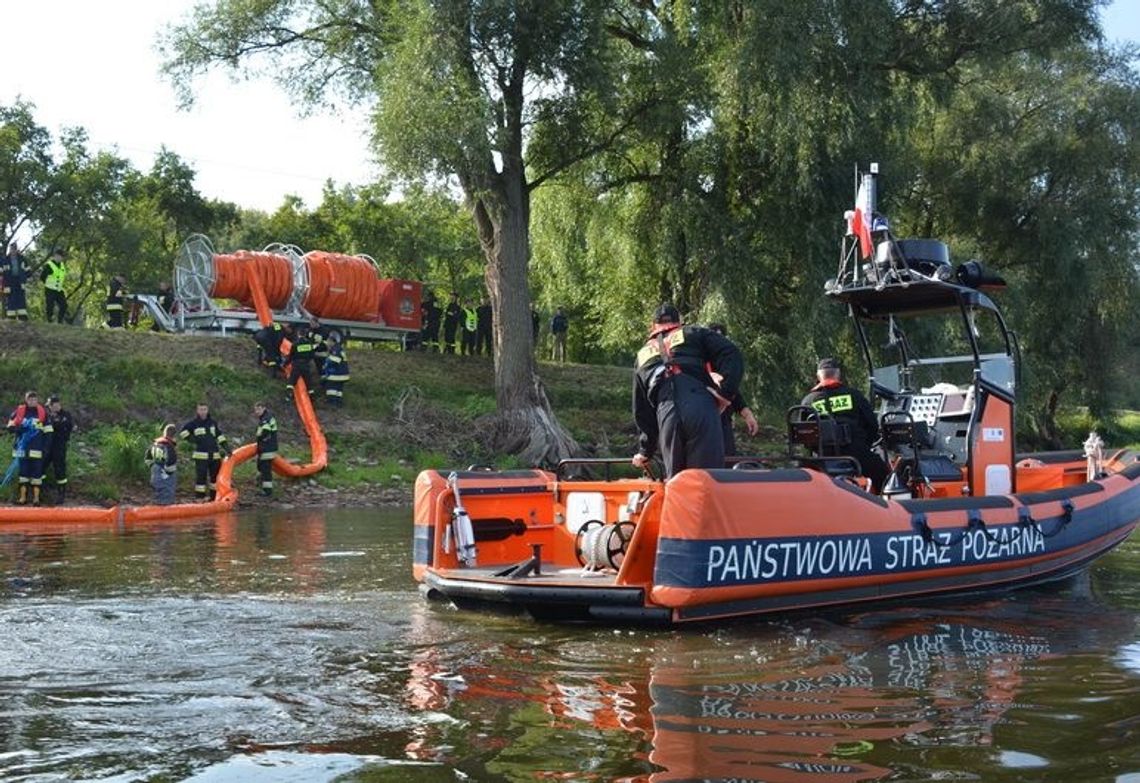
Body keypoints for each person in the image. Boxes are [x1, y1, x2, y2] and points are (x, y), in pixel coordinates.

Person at [631, 304, 743, 479]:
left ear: (653, 326)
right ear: (679, 322)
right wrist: (725, 393)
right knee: (707, 479)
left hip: (666, 411)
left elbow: (642, 410)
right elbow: (731, 353)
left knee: (676, 482)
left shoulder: (642, 355)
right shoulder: (694, 333)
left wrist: (646, 450)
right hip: (700, 404)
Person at [800, 358, 889, 493]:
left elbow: (803, 436)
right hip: (855, 456)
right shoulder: (854, 396)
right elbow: (872, 425)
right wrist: (864, 445)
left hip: (821, 460)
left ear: (818, 376)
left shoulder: (807, 401)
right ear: (838, 374)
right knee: (885, 474)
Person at [706, 324, 759, 455]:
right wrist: (708, 376)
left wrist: (747, 413)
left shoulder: (726, 361)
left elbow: (732, 390)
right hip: (703, 419)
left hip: (723, 421)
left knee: (727, 458)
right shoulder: (697, 360)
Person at [178, 403, 229, 501]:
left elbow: (219, 436)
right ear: (197, 411)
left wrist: (226, 447)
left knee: (214, 479)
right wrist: (193, 439)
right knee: (201, 479)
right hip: (201, 456)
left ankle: (213, 498)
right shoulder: (193, 423)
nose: (203, 412)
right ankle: (199, 498)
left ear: (207, 410)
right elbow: (183, 432)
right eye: (201, 410)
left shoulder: (213, 423)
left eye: (204, 409)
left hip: (214, 456)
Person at [6, 391, 48, 505]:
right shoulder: (19, 412)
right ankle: (22, 498)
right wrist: (18, 428)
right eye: (30, 399)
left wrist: (46, 448)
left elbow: (48, 431)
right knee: (23, 475)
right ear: (26, 400)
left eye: (34, 399)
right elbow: (9, 426)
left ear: (37, 400)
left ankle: (36, 499)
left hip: (37, 449)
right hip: (21, 449)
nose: (32, 401)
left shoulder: (43, 413)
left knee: (37, 475)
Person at [42, 394, 74, 504]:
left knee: (60, 470)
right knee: (41, 467)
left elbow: (65, 427)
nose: (49, 408)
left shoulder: (66, 415)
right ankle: (44, 490)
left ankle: (61, 494)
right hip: (47, 446)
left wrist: (54, 424)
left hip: (59, 447)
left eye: (50, 405)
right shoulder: (48, 415)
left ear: (56, 404)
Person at [146, 424, 179, 505]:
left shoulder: (155, 443)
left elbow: (147, 457)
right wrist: (168, 473)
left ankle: (155, 508)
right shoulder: (168, 445)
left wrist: (153, 467)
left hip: (155, 470)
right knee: (167, 492)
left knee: (157, 491)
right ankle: (166, 510)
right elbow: (171, 460)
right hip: (165, 472)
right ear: (174, 435)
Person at [285, 325, 317, 400]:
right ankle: (312, 397)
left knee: (292, 380)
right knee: (308, 381)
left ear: (298, 334)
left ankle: (289, 395)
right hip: (306, 364)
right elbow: (312, 355)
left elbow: (291, 356)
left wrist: (286, 363)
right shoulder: (309, 344)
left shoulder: (295, 344)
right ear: (305, 334)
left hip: (297, 365)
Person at [253, 402, 278, 497]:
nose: (257, 411)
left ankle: (267, 491)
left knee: (265, 469)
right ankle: (263, 485)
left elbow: (266, 431)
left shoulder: (266, 418)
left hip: (267, 447)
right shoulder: (266, 417)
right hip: (267, 447)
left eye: (259, 409)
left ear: (264, 408)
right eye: (256, 410)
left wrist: (260, 439)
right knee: (261, 466)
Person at [321, 332, 350, 406]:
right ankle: (338, 403)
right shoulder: (338, 348)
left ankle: (332, 404)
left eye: (328, 341)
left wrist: (325, 366)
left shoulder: (335, 350)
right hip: (342, 374)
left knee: (331, 389)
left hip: (337, 374)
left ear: (332, 341)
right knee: (338, 391)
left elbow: (333, 361)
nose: (327, 343)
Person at [2, 242, 29, 320]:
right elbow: (2, 273)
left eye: (14, 249)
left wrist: (24, 278)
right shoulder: (5, 260)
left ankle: (23, 317)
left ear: (16, 250)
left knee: (21, 299)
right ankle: (11, 318)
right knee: (11, 300)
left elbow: (28, 271)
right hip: (9, 282)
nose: (13, 251)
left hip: (20, 281)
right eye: (11, 249)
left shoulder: (22, 259)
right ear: (9, 250)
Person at [40, 249, 68, 323]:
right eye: (60, 256)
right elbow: (42, 277)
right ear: (56, 256)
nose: (62, 258)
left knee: (64, 305)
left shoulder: (62, 265)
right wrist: (48, 284)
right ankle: (50, 320)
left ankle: (60, 321)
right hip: (50, 289)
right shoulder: (49, 265)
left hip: (59, 289)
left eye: (62, 257)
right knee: (50, 306)